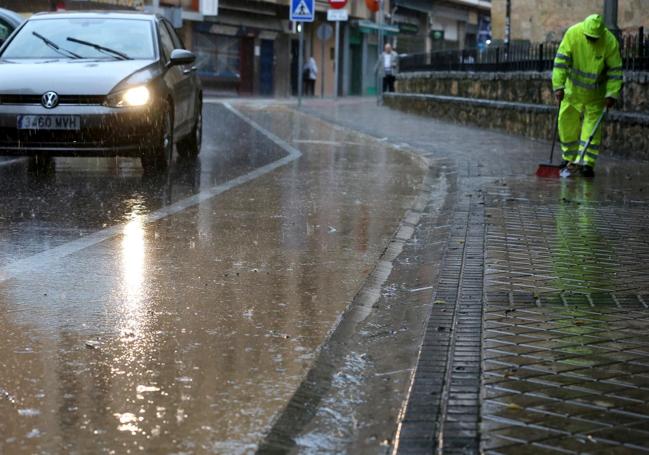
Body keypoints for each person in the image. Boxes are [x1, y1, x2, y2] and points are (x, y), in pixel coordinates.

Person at [552, 14, 623, 178]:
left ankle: (587, 163)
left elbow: (615, 71)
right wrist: (558, 86)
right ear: (584, 31)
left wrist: (612, 93)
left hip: (596, 96)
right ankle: (568, 159)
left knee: (592, 131)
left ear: (601, 33)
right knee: (566, 124)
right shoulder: (573, 34)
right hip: (572, 92)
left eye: (594, 38)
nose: (592, 40)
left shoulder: (610, 41)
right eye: (589, 37)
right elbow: (561, 62)